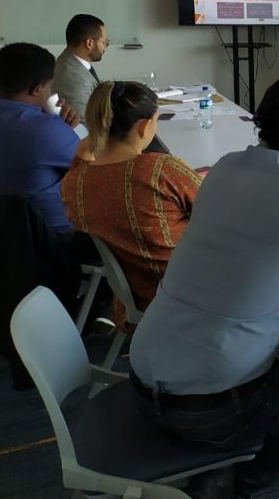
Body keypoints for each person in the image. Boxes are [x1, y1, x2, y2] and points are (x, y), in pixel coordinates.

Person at [128, 75, 279, 499]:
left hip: (141, 375)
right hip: (207, 407)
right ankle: (235, 488)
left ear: (262, 118)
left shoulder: (225, 166)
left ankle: (218, 475)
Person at [60, 81, 201, 327]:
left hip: (134, 302)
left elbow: (84, 155)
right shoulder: (159, 170)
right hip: (193, 293)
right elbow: (219, 210)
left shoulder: (75, 183)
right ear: (145, 126)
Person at [0, 43, 82, 236]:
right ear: (37, 89)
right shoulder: (47, 130)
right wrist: (63, 129)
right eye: (50, 88)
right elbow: (94, 170)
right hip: (49, 245)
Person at [54, 13, 108, 118]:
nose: (105, 47)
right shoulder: (71, 76)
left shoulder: (73, 62)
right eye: (104, 42)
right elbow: (83, 122)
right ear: (89, 43)